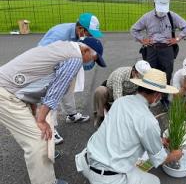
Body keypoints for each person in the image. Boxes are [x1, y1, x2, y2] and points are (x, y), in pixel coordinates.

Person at [0, 37, 106, 184]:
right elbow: (56, 90)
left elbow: (39, 78)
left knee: (39, 137)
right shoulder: (75, 58)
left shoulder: (64, 46)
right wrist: (41, 119)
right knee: (37, 140)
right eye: (94, 59)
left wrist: (33, 106)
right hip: (6, 93)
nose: (91, 63)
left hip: (10, 89)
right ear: (86, 50)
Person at [75, 68, 182, 184]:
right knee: (155, 181)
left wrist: (157, 140)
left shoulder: (121, 101)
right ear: (157, 95)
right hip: (106, 177)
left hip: (86, 161)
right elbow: (160, 159)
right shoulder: (149, 121)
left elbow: (125, 130)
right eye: (161, 95)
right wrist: (175, 155)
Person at [38, 12, 104, 144]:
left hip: (66, 64)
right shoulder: (59, 34)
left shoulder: (82, 37)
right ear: (80, 29)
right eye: (89, 33)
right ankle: (50, 127)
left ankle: (71, 114)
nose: (89, 37)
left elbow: (84, 57)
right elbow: (41, 54)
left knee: (68, 87)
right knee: (52, 94)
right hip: (48, 65)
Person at [130, 0, 186, 107]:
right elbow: (134, 29)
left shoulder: (172, 16)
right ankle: (148, 98)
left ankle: (164, 98)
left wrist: (177, 38)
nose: (162, 11)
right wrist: (142, 40)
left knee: (166, 74)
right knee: (150, 74)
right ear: (154, 3)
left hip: (167, 49)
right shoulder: (147, 17)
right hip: (151, 49)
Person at [93, 60, 151, 127]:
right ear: (134, 71)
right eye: (140, 77)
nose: (141, 80)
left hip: (130, 94)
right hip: (112, 92)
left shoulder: (141, 77)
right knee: (100, 91)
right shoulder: (120, 74)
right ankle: (100, 115)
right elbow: (118, 98)